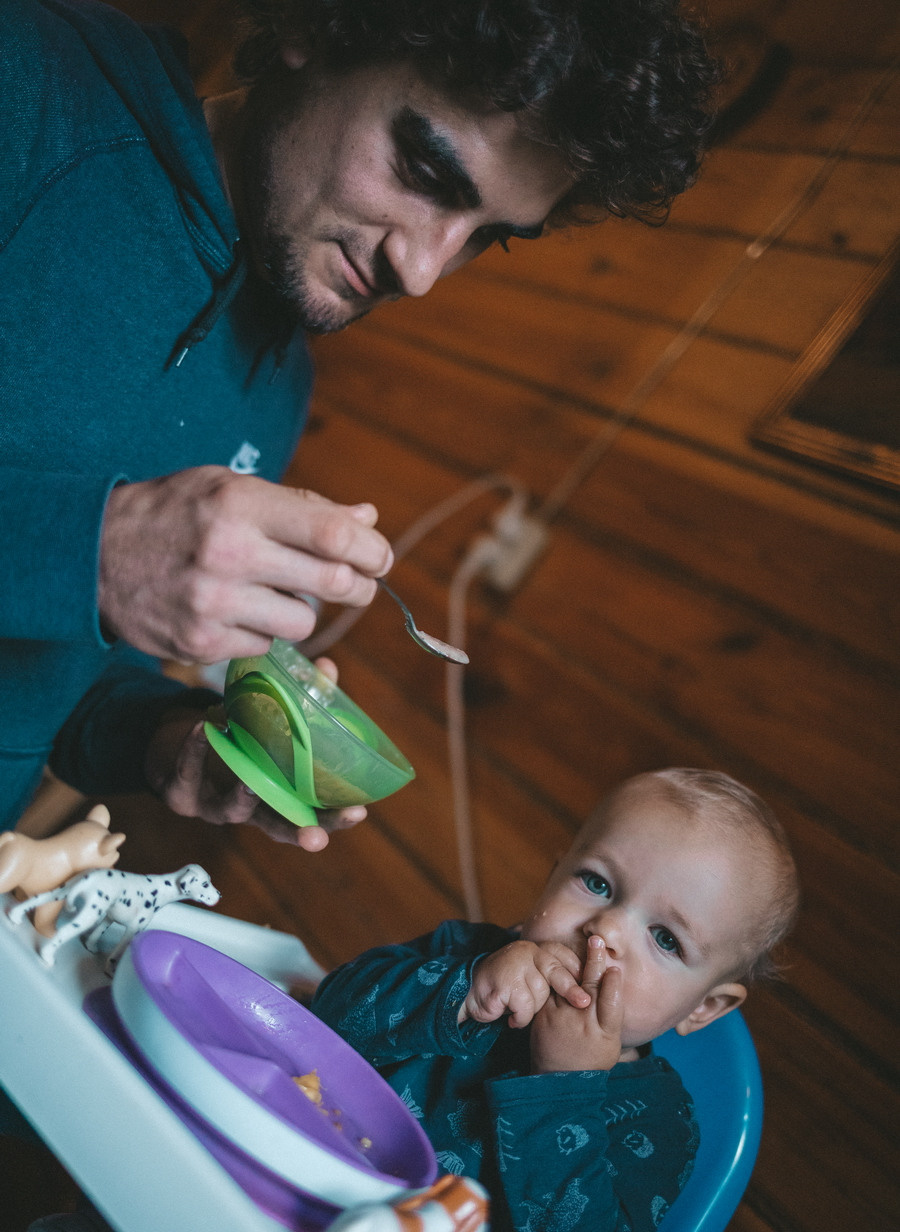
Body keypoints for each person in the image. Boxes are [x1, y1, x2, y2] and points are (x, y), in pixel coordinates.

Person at [0, 0, 719, 846]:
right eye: (423, 168)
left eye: (488, 236)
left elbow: (49, 675)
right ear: (316, 27)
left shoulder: (279, 382)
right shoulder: (29, 90)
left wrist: (167, 743)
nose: (422, 271)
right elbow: (81, 571)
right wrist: (94, 554)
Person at [310, 768, 800, 1232]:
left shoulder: (658, 1124)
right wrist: (465, 992)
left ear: (703, 1007)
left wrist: (565, 1088)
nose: (605, 931)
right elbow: (324, 1013)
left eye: (665, 939)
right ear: (552, 875)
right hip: (308, 1184)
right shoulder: (465, 954)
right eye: (596, 883)